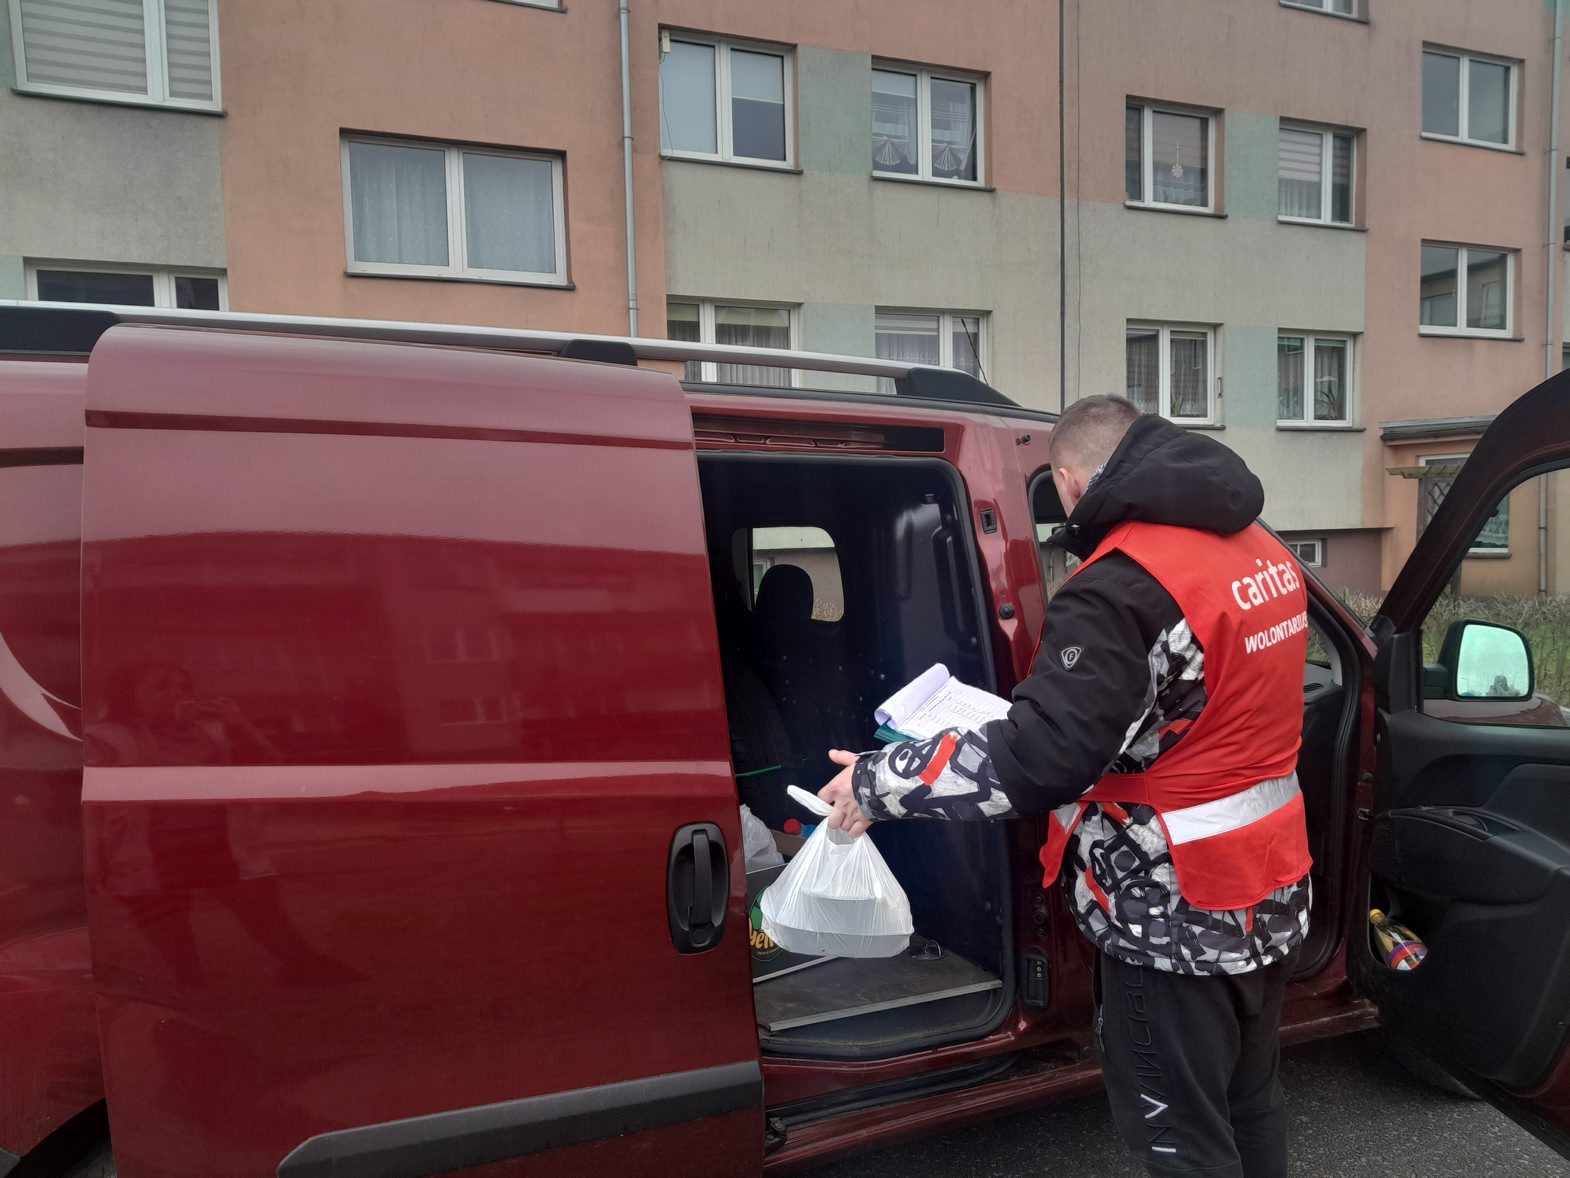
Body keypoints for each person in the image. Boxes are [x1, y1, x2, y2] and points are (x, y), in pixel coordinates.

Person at [818, 395, 1312, 1178]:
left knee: (1183, 1144)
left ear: (1070, 484)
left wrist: (878, 780)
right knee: (1249, 1103)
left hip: (1172, 914)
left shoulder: (1123, 585)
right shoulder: (1258, 547)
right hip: (1270, 886)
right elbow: (1198, 709)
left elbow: (1043, 758)